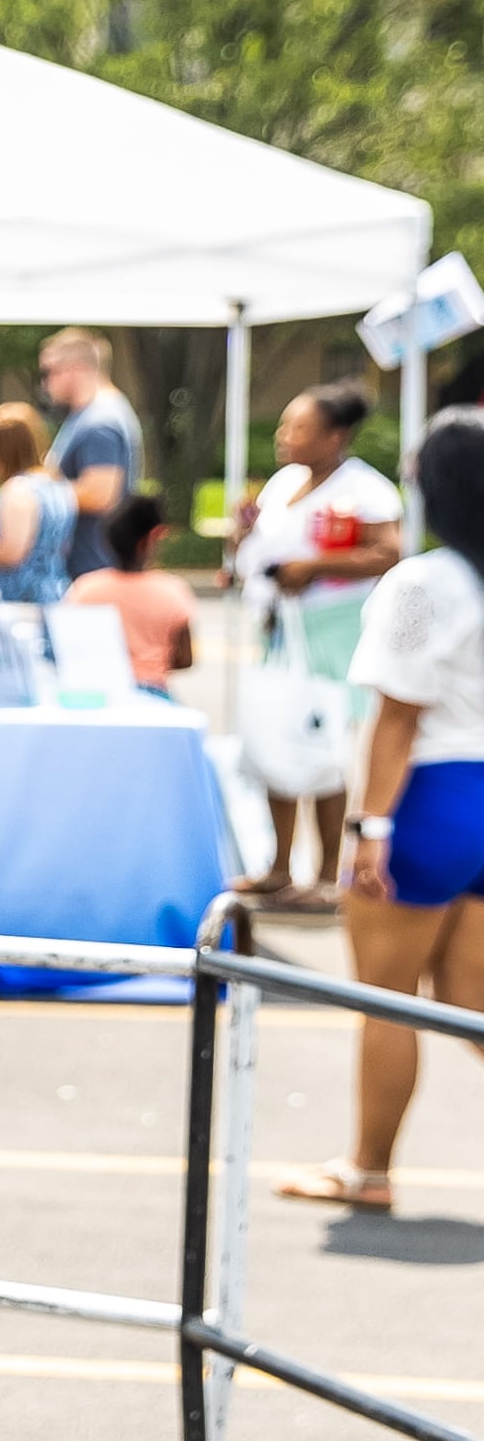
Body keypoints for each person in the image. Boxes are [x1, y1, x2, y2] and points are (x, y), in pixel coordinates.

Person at [278, 410, 484, 1211]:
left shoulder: (425, 584)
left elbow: (393, 718)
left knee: (384, 996)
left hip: (430, 797)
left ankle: (367, 1167)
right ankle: (364, 1166)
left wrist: (367, 828)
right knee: (469, 998)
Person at [226, 384, 404, 914]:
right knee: (271, 738)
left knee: (320, 747)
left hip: (329, 631)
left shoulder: (366, 491)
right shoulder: (285, 484)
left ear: (335, 436)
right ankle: (280, 865)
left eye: (297, 428)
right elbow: (264, 545)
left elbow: (388, 553)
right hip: (280, 630)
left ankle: (328, 873)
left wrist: (314, 568)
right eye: (284, 426)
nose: (284, 438)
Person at [63, 494, 199, 691]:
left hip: (100, 692)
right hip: (153, 691)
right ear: (154, 536)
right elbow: (185, 659)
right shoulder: (173, 591)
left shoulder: (85, 588)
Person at [0, 402, 81, 606]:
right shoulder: (57, 486)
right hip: (54, 592)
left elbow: (11, 553)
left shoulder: (18, 491)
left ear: (1, 449)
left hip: (20, 604)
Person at [42, 327, 144, 530]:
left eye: (49, 371)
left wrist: (34, 493)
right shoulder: (90, 413)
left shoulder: (100, 422)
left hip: (93, 559)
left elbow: (100, 494)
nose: (45, 383)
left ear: (75, 368)